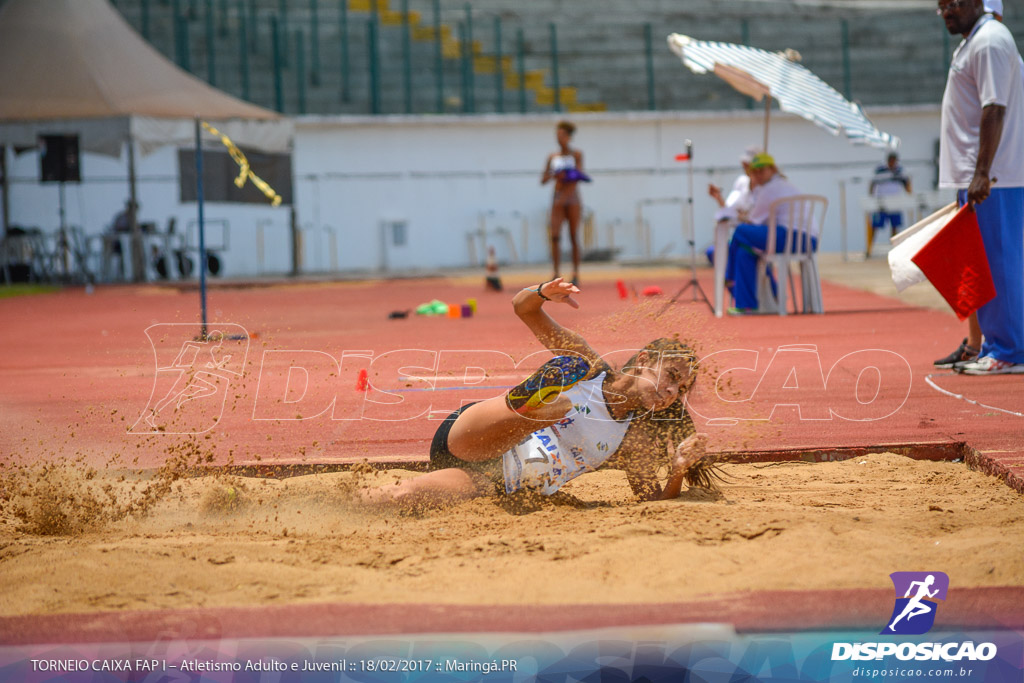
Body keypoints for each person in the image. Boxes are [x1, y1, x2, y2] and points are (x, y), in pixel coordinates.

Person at [359, 278, 719, 508]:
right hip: (477, 434)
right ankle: (529, 402)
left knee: (402, 496)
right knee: (558, 404)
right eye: (671, 376)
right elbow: (523, 308)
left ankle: (337, 503)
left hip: (494, 482)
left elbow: (650, 500)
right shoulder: (589, 368)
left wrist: (677, 470)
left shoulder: (635, 432)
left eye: (681, 389)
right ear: (643, 361)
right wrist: (543, 292)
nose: (672, 391)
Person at [936, 0, 1024, 375]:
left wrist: (982, 172)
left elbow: (994, 108)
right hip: (982, 175)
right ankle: (993, 344)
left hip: (993, 177)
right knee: (983, 263)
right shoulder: (974, 40)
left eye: (951, 3)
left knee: (999, 263)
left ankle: (1009, 351)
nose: (944, 12)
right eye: (939, 6)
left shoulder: (989, 40)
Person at [723, 153, 805, 312]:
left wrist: (741, 217)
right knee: (743, 252)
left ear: (772, 169)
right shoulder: (785, 185)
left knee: (740, 231)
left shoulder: (768, 189)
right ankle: (746, 305)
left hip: (789, 237)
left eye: (762, 170)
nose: (758, 174)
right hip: (804, 239)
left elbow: (753, 222)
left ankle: (729, 277)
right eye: (755, 171)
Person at [541, 121, 587, 285]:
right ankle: (555, 272)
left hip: (572, 199)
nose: (559, 139)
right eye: (557, 136)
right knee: (555, 235)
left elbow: (579, 176)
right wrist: (555, 173)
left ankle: (575, 273)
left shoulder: (576, 155)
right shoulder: (553, 157)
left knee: (574, 236)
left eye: (562, 136)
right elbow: (543, 179)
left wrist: (568, 179)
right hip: (557, 198)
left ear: (568, 137)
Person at [866, 152, 912, 257]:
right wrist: (872, 198)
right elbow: (872, 183)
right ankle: (869, 248)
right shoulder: (880, 169)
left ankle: (894, 249)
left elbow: (907, 183)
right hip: (881, 203)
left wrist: (910, 194)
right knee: (875, 226)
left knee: (895, 226)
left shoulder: (900, 170)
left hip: (895, 202)